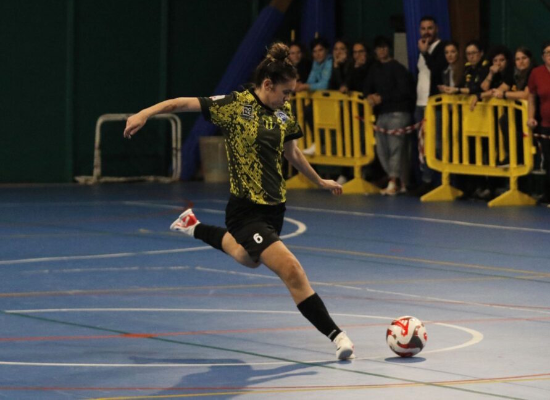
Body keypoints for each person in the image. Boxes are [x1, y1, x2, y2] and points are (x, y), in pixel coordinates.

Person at [123, 42, 355, 360]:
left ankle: (193, 226)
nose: (288, 99)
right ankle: (338, 336)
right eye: (285, 92)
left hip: (275, 209)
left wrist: (319, 181)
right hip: (246, 211)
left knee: (248, 258)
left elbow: (292, 152)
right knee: (291, 270)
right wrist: (144, 114)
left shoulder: (283, 113)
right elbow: (181, 103)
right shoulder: (234, 105)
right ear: (267, 84)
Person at [364, 36, 415, 195]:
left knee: (396, 149)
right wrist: (370, 96)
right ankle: (397, 180)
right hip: (382, 115)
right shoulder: (374, 69)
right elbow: (366, 87)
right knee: (382, 150)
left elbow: (404, 92)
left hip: (398, 113)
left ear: (389, 49)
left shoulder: (398, 69)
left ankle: (396, 182)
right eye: (379, 48)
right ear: (375, 51)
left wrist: (382, 98)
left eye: (385, 47)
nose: (382, 50)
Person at [413, 16, 448, 195]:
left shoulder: (443, 48)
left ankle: (443, 181)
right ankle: (426, 180)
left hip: (435, 105)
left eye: (430, 28)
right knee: (423, 145)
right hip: (420, 104)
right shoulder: (422, 50)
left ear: (437, 29)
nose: (426, 32)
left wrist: (426, 53)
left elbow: (437, 69)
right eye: (423, 28)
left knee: (438, 143)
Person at [527, 40, 550, 204]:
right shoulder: (536, 73)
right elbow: (531, 97)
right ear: (543, 57)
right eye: (547, 52)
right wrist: (530, 116)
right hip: (546, 125)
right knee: (548, 161)